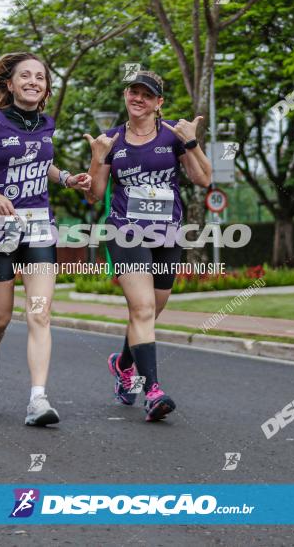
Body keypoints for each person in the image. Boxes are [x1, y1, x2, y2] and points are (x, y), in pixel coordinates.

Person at [0, 52, 92, 426]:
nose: (33, 81)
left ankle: (38, 400)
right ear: (10, 84)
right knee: (0, 319)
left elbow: (42, 165)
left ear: (46, 88)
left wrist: (67, 179)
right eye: (25, 76)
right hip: (0, 228)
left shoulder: (47, 123)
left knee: (40, 313)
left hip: (40, 225)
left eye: (40, 77)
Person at [84, 70, 212, 421]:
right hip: (126, 231)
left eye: (146, 94)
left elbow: (203, 178)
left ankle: (123, 363)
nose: (137, 98)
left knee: (151, 310)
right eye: (132, 92)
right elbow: (95, 195)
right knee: (141, 310)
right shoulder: (111, 140)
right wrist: (97, 157)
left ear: (159, 103)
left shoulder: (173, 135)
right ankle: (152, 390)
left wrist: (191, 141)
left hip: (167, 233)